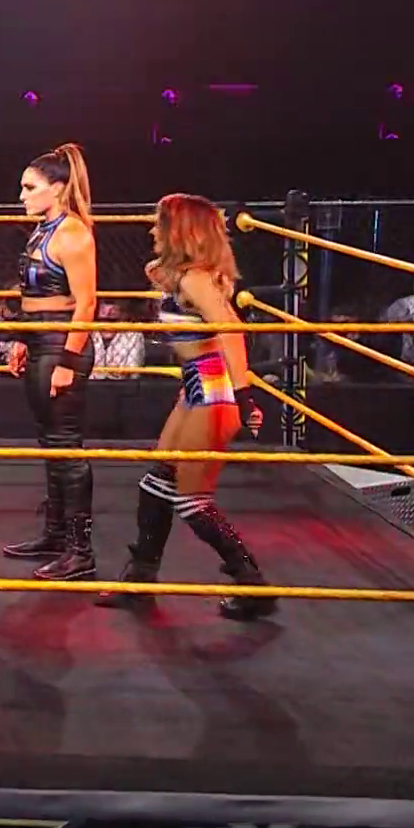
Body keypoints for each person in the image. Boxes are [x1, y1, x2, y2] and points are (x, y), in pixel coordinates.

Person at [97, 194, 267, 619]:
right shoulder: (189, 276)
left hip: (214, 390)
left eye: (161, 223)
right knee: (157, 482)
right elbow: (158, 273)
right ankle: (140, 579)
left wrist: (244, 396)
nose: (153, 230)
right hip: (195, 387)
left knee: (193, 499)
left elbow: (231, 331)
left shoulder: (195, 279)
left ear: (181, 231)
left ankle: (253, 584)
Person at [1, 145, 102, 580]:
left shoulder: (73, 234)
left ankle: (81, 550)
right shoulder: (42, 229)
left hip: (62, 342)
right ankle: (56, 534)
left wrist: (68, 360)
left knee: (66, 444)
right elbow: (34, 297)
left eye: (30, 188)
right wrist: (23, 339)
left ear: (57, 188)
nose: (21, 195)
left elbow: (86, 303)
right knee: (50, 441)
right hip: (41, 339)